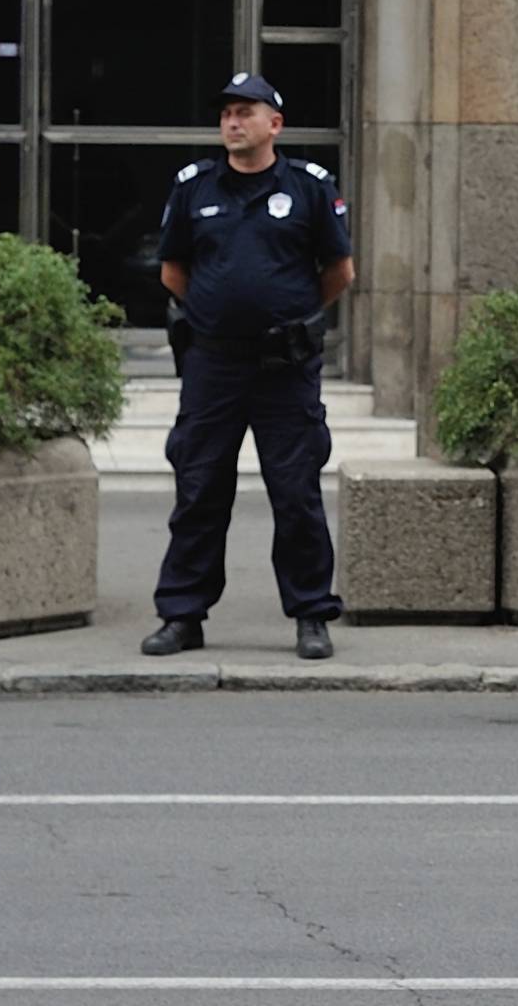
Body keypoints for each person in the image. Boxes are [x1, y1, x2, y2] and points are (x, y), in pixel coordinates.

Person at [140, 72, 354, 661]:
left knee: (296, 493)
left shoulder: (310, 186)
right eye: (227, 114)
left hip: (286, 366)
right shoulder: (193, 186)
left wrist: (292, 316)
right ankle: (182, 614)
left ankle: (311, 613)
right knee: (200, 487)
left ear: (274, 125)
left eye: (245, 112)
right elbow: (173, 271)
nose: (233, 122)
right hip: (214, 365)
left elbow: (339, 272)